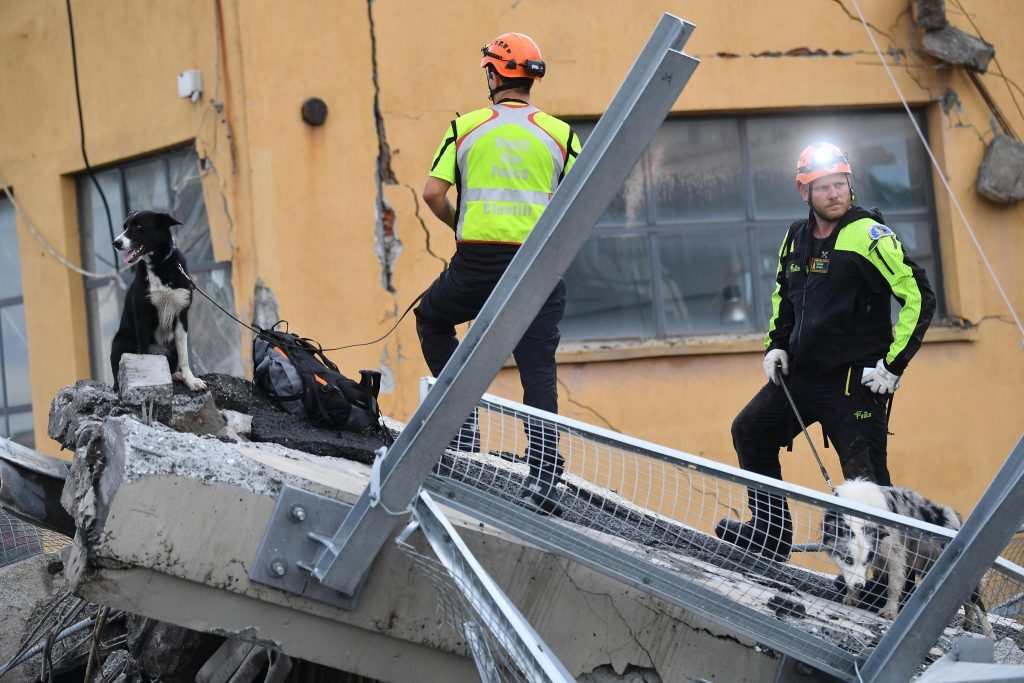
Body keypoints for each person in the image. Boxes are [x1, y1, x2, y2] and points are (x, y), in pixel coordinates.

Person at [715, 142, 936, 562]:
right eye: (823, 187)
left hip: (854, 383)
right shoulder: (796, 237)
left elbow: (919, 298)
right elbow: (785, 293)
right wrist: (776, 344)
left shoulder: (869, 235)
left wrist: (893, 364)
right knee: (750, 431)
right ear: (805, 192)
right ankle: (770, 536)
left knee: (867, 485)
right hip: (801, 376)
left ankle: (886, 584)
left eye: (841, 184)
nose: (835, 194)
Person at [416, 32, 581, 516]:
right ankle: (547, 478)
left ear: (493, 74)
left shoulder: (466, 127)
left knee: (432, 319)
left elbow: (431, 193)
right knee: (537, 369)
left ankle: (462, 425)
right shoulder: (560, 134)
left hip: (477, 263)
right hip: (537, 267)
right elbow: (578, 205)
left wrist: (460, 224)